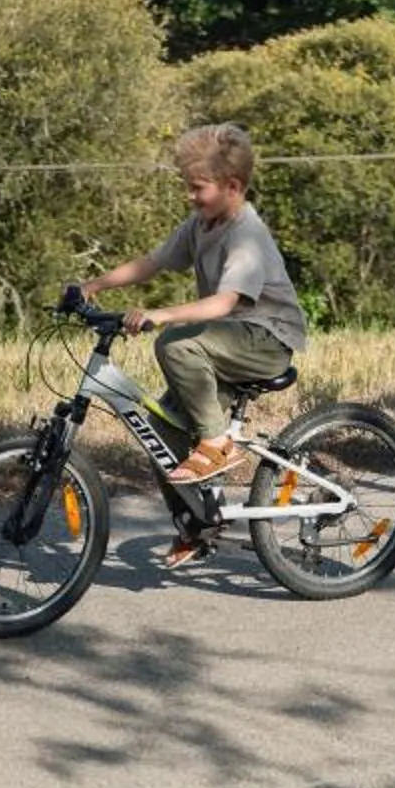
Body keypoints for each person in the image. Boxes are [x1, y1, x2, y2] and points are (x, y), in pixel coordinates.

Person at [79, 121, 309, 562]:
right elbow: (153, 262)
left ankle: (215, 442)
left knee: (175, 343)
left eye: (197, 187)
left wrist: (160, 316)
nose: (190, 195)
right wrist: (94, 285)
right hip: (227, 344)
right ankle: (197, 525)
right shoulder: (201, 224)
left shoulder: (246, 234)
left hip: (265, 340)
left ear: (232, 186)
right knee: (160, 433)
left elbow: (224, 303)